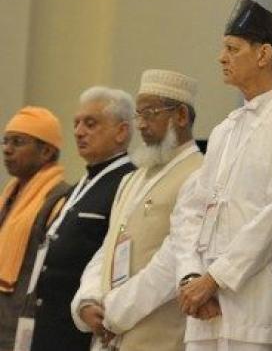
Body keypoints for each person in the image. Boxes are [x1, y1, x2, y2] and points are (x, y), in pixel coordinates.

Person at [175, 0, 272, 350]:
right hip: (206, 310)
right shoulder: (225, 131)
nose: (221, 57)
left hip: (259, 311)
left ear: (263, 55)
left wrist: (217, 278)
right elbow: (192, 210)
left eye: (232, 48)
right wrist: (192, 276)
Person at [69, 70, 205, 351]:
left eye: (150, 113)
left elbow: (175, 261)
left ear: (180, 115)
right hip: (111, 334)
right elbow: (108, 247)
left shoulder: (200, 174)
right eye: (138, 115)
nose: (141, 125)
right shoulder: (132, 178)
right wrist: (88, 299)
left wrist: (116, 312)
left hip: (159, 335)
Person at [28, 88, 136, 351]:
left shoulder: (128, 183)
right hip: (48, 324)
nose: (78, 132)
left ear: (121, 131)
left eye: (90, 123)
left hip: (82, 330)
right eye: (76, 123)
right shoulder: (80, 184)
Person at [0, 107, 70, 351]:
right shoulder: (10, 193)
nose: (7, 149)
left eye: (18, 142)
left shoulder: (59, 197)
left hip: (24, 323)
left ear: (46, 151)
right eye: (5, 141)